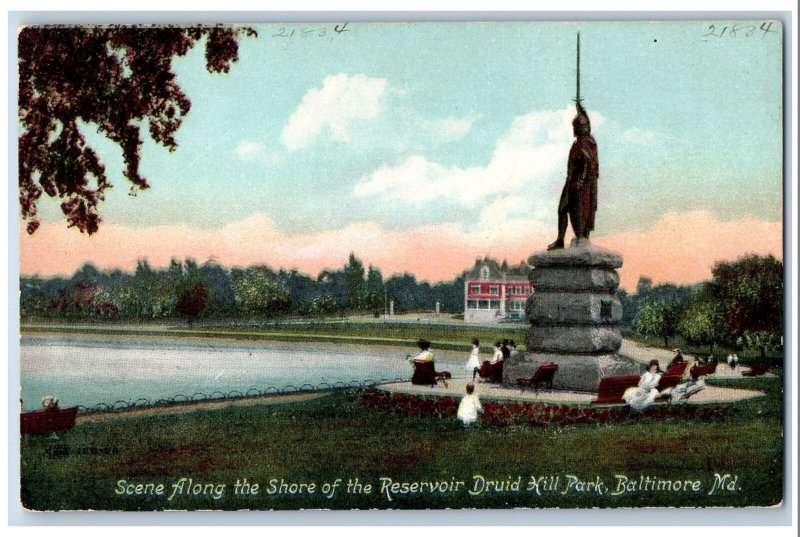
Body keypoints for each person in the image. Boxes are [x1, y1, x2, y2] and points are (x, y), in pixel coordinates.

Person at [548, 103, 599, 250]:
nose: (574, 130)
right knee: (562, 209)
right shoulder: (581, 142)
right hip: (570, 182)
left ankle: (567, 239)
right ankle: (560, 240)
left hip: (576, 184)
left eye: (575, 127)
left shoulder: (583, 143)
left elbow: (587, 163)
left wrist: (581, 180)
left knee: (573, 211)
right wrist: (580, 109)